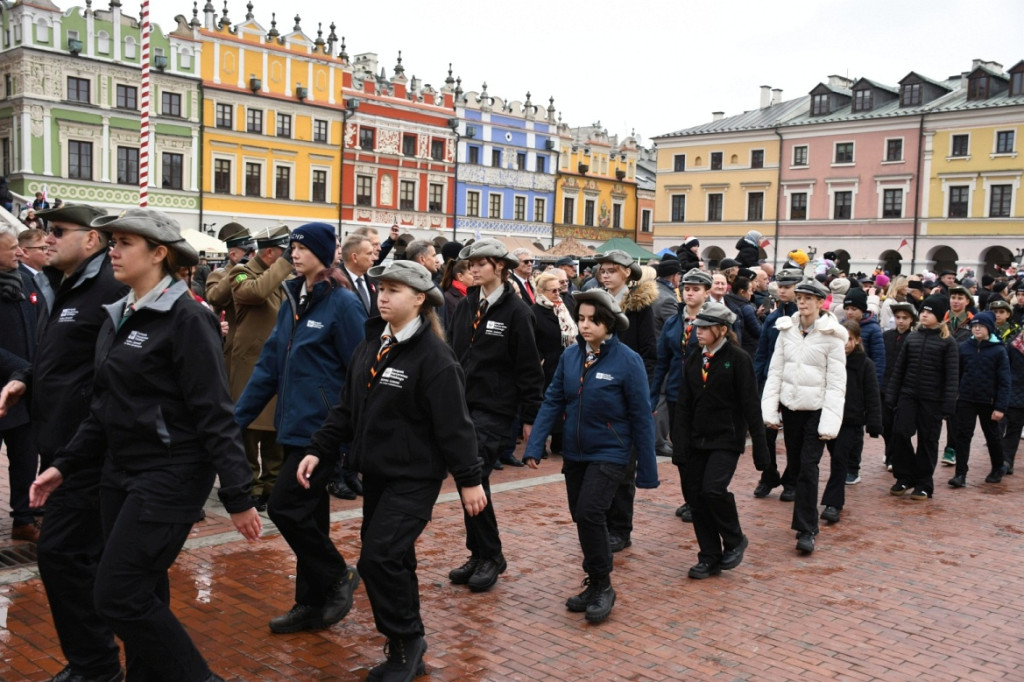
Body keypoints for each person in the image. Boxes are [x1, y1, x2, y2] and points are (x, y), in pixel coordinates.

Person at [29, 208, 261, 682]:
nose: (112, 250)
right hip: (119, 472)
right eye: (112, 241)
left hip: (171, 474)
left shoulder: (187, 316)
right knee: (144, 591)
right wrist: (66, 465)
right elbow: (103, 406)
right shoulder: (120, 314)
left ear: (159, 254)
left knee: (116, 594)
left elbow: (214, 411)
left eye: (124, 243)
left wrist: (238, 494)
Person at [295, 261, 486, 680]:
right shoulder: (372, 343)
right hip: (378, 476)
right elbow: (347, 407)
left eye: (395, 290)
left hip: (415, 478)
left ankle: (406, 642)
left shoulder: (434, 358)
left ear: (420, 298)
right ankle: (407, 644)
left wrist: (469, 479)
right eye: (381, 288)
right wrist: (318, 450)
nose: (383, 296)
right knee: (395, 559)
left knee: (378, 558)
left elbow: (455, 425)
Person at [0, 204, 128, 682]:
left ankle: (97, 664)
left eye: (58, 231)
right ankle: (99, 660)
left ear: (92, 240)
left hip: (90, 450)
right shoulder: (65, 285)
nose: (45, 239)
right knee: (88, 558)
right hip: (61, 446)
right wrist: (26, 380)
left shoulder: (110, 289)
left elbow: (113, 375)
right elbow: (64, 358)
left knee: (64, 555)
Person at [234, 222, 367, 634]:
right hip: (291, 426)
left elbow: (360, 372)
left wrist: (348, 432)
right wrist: (235, 419)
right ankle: (310, 604)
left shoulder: (343, 304)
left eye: (303, 247)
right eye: (291, 246)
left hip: (323, 431)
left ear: (325, 255)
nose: (294, 252)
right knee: (310, 516)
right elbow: (268, 367)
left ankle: (338, 574)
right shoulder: (294, 297)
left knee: (284, 507)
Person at [523, 289, 658, 623]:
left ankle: (602, 585)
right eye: (581, 318)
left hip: (612, 451)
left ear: (609, 322)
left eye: (593, 320)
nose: (585, 325)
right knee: (580, 515)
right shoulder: (571, 357)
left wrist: (647, 471)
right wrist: (536, 443)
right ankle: (595, 581)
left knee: (589, 512)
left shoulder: (628, 361)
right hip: (576, 452)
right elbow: (553, 399)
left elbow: (641, 416)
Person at [447, 239, 544, 592]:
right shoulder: (466, 305)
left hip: (496, 409)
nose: (473, 268)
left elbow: (530, 369)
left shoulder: (517, 312)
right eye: (470, 264)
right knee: (468, 479)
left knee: (473, 473)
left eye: (481, 264)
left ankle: (491, 555)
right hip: (464, 406)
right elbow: (454, 354)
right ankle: (481, 552)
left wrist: (533, 417)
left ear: (500, 267)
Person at [673, 301, 767, 579]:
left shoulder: (738, 359)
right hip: (695, 440)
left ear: (722, 330)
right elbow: (683, 404)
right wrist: (680, 444)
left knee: (713, 489)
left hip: (726, 438)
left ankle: (735, 539)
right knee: (696, 496)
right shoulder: (693, 359)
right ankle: (709, 556)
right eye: (696, 326)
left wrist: (761, 448)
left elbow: (751, 404)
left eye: (704, 327)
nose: (697, 331)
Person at [761, 278, 847, 555]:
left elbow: (836, 383)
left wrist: (830, 424)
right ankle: (803, 520)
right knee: (796, 466)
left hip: (817, 410)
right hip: (791, 408)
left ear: (820, 303)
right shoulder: (786, 331)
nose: (802, 302)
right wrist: (770, 410)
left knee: (809, 468)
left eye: (808, 298)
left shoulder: (833, 336)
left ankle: (806, 529)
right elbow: (775, 372)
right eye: (799, 297)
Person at [594, 249, 657, 552]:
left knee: (623, 466)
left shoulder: (639, 306)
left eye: (612, 270)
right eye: (603, 270)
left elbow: (648, 352)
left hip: (626, 390)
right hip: (598, 390)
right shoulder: (595, 301)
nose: (605, 275)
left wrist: (637, 389)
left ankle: (621, 527)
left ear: (627, 274)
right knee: (599, 463)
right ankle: (601, 521)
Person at [228, 225, 293, 512]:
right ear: (270, 253)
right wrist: (285, 264)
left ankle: (272, 485)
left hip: (277, 363)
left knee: (274, 431)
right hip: (251, 363)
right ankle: (250, 486)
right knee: (248, 431)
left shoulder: (282, 276)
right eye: (284, 253)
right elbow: (255, 293)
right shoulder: (241, 273)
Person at [652, 267, 712, 520]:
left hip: (705, 396)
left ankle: (701, 499)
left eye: (696, 289)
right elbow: (662, 361)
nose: (689, 293)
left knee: (701, 449)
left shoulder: (716, 320)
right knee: (681, 451)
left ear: (706, 293)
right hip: (677, 395)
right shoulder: (673, 322)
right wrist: (653, 395)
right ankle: (691, 498)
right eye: (686, 288)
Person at [885, 294, 959, 501]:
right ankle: (904, 476)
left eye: (929, 312)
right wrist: (892, 395)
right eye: (923, 311)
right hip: (908, 395)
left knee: (927, 441)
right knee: (899, 433)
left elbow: (952, 377)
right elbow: (899, 369)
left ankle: (924, 482)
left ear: (940, 316)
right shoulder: (913, 337)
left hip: (932, 400)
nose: (924, 315)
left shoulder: (948, 342)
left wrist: (948, 405)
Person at [0, 224, 41, 542]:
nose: (19, 251)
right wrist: (23, 369)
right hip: (6, 387)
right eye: (11, 247)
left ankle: (23, 520)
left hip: (24, 389)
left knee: (25, 458)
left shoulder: (25, 281)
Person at [820, 321, 881, 524]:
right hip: (825, 416)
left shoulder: (865, 364)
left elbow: (872, 395)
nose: (845, 343)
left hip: (850, 420)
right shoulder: (826, 360)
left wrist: (874, 422)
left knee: (839, 459)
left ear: (857, 341)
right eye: (841, 338)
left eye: (849, 339)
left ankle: (833, 503)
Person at [752, 268, 803, 499]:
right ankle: (769, 475)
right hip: (771, 382)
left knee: (794, 435)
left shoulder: (804, 318)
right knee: (765, 434)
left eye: (788, 286)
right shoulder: (772, 318)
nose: (783, 290)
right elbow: (762, 353)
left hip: (795, 382)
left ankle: (792, 480)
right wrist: (758, 381)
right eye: (780, 286)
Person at [948, 311, 1010, 488]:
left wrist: (1000, 407)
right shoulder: (965, 347)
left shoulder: (999, 350)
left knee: (993, 436)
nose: (976, 329)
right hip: (966, 399)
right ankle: (960, 474)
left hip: (989, 401)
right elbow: (958, 374)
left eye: (980, 326)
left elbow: (1005, 381)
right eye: (974, 326)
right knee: (963, 436)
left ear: (989, 328)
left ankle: (998, 466)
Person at [532, 271, 578, 457]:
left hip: (564, 362)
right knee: (544, 406)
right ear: (541, 291)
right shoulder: (535, 312)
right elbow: (531, 341)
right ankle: (539, 444)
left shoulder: (563, 308)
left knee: (563, 404)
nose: (557, 294)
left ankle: (559, 442)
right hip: (545, 365)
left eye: (559, 289)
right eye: (553, 291)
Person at [204, 224, 254, 369]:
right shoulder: (219, 274)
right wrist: (238, 270)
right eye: (249, 251)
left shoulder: (254, 274)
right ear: (233, 255)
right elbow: (214, 297)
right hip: (230, 347)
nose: (254, 255)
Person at [880, 302, 918, 472]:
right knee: (885, 423)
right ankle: (890, 450)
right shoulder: (887, 336)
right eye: (898, 317)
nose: (901, 321)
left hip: (903, 388)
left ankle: (893, 456)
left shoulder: (913, 338)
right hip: (885, 387)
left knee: (899, 425)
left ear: (911, 320)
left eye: (905, 318)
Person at [724, 275, 761, 357]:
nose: (752, 293)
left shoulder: (729, 301)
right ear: (742, 292)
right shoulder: (747, 308)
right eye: (750, 290)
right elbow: (758, 331)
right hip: (749, 350)